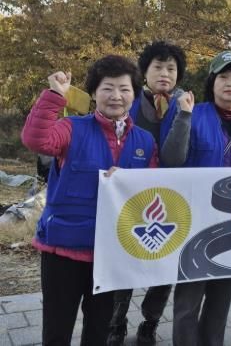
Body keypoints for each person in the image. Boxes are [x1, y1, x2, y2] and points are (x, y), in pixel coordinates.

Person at [21, 56, 157, 346]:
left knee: (99, 332)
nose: (116, 96)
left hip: (111, 256)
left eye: (124, 89)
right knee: (56, 331)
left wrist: (131, 182)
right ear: (94, 93)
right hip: (63, 250)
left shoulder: (145, 142)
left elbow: (152, 192)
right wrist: (55, 95)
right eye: (107, 88)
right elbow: (35, 139)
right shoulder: (71, 128)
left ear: (134, 94)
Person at [163, 50, 231, 346]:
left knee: (221, 299)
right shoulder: (193, 113)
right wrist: (184, 116)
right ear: (212, 83)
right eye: (223, 77)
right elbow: (171, 159)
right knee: (188, 301)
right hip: (195, 223)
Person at [108, 41, 189, 346]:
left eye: (171, 68)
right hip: (129, 197)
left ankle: (150, 321)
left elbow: (176, 158)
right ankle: (116, 322)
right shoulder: (128, 101)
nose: (165, 73)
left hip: (170, 198)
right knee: (124, 258)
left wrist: (184, 116)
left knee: (165, 263)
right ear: (145, 71)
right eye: (158, 67)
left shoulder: (185, 105)